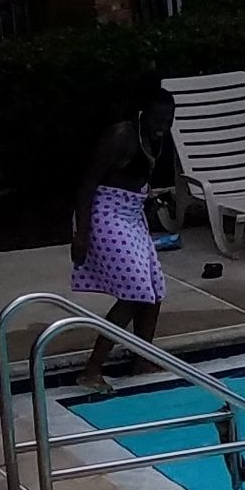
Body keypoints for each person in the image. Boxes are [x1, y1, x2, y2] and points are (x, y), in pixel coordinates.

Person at [68, 115, 164, 358]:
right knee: (134, 293)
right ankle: (93, 367)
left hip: (133, 215)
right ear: (144, 113)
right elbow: (87, 182)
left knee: (154, 291)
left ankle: (143, 360)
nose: (163, 126)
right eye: (159, 119)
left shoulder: (154, 138)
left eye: (168, 120)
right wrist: (81, 233)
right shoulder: (120, 136)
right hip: (107, 214)